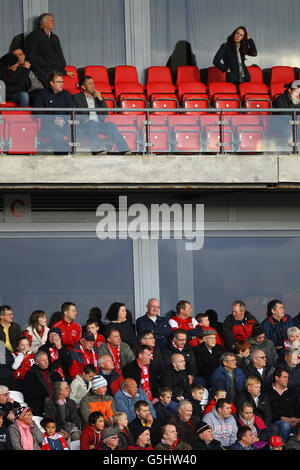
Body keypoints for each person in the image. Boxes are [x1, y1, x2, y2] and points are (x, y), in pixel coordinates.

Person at [73, 76, 131, 155]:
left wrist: (101, 100)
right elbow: (73, 112)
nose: (93, 85)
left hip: (99, 124)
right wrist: (82, 119)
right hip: (84, 125)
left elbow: (105, 114)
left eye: (93, 83)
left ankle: (125, 150)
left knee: (111, 125)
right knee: (91, 123)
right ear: (83, 87)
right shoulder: (76, 97)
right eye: (90, 84)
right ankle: (97, 150)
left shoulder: (98, 97)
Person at [32, 72, 73, 154]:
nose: (62, 84)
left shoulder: (66, 94)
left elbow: (71, 112)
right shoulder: (42, 95)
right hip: (48, 126)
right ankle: (61, 162)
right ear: (52, 83)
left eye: (62, 82)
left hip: (65, 125)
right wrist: (53, 119)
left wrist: (62, 119)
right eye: (59, 82)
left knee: (78, 132)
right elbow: (36, 113)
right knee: (58, 137)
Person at [265, 367, 300, 442]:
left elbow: (298, 408)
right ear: (277, 378)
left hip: (293, 421)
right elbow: (267, 412)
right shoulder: (268, 393)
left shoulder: (291, 392)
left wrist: (297, 419)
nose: (287, 379)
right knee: (285, 425)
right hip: (276, 421)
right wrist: (281, 418)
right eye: (284, 377)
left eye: (287, 377)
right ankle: (281, 447)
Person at [23, 350, 62, 416]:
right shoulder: (31, 374)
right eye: (43, 360)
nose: (46, 362)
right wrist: (44, 398)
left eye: (47, 359)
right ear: (37, 362)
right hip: (41, 403)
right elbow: (29, 393)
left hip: (56, 400)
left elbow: (61, 386)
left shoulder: (54, 373)